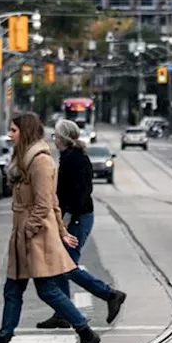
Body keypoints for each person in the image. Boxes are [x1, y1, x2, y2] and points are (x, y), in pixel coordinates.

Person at [0, 112, 101, 343]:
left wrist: (33, 230)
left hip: (35, 236)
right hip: (23, 234)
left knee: (47, 290)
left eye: (13, 131)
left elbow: (46, 203)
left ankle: (85, 331)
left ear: (26, 131)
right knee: (13, 290)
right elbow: (50, 202)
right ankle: (3, 341)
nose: (9, 135)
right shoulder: (22, 160)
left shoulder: (40, 161)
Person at [35, 119, 128, 329]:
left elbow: (77, 195)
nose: (55, 140)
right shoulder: (71, 157)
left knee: (65, 266)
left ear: (64, 138)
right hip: (78, 216)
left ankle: (109, 294)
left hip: (77, 219)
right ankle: (63, 312)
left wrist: (65, 220)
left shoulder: (73, 160)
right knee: (62, 265)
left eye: (57, 136)